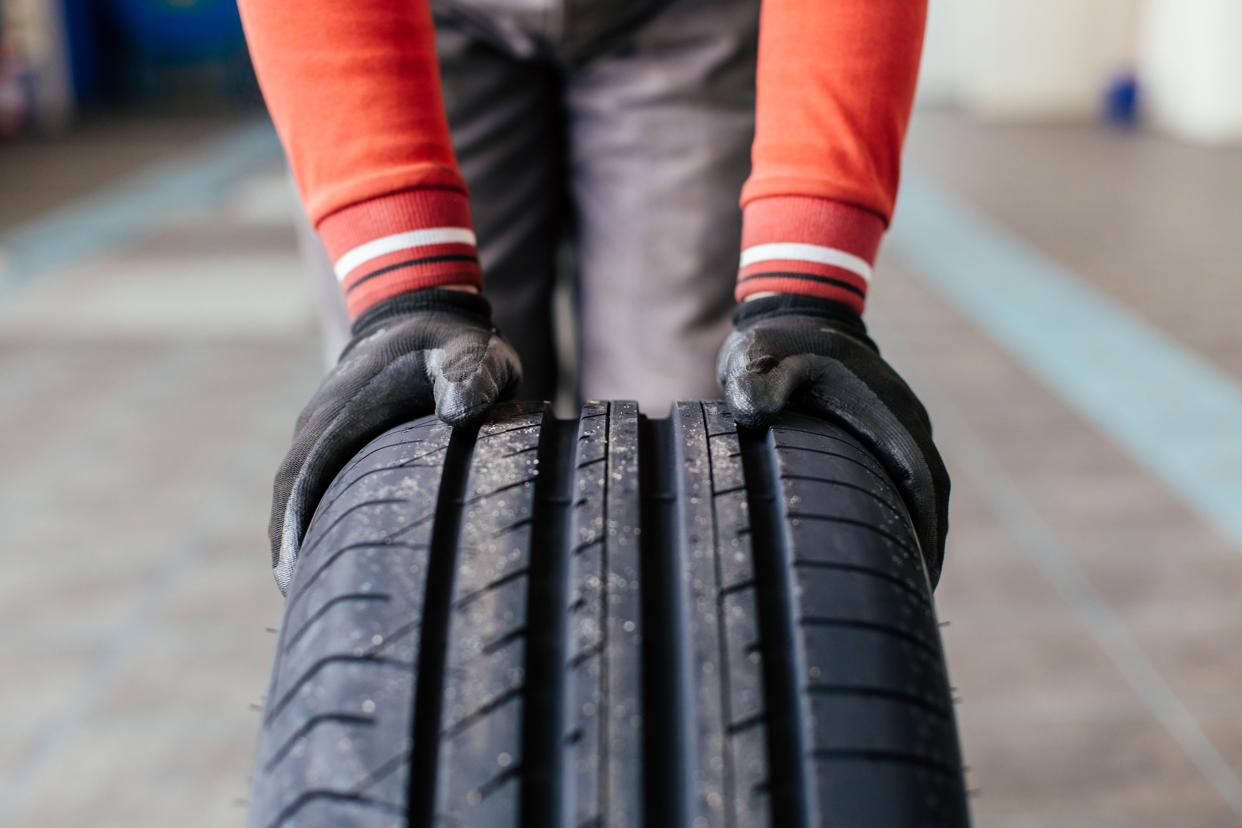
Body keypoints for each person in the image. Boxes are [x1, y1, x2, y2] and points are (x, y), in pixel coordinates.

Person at [238, 0, 949, 594]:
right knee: (426, 458)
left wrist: (807, 286)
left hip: (690, 14)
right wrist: (401, 292)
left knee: (710, 465)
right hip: (412, 18)